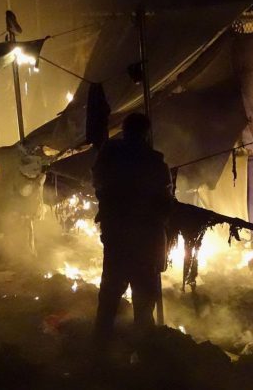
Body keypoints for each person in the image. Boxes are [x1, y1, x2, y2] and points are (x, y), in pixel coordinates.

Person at [92, 113, 174, 342]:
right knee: (143, 295)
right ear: (146, 133)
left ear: (124, 130)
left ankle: (101, 341)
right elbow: (165, 203)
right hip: (145, 238)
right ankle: (144, 345)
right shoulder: (154, 163)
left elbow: (98, 183)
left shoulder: (109, 155)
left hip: (116, 234)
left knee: (110, 292)